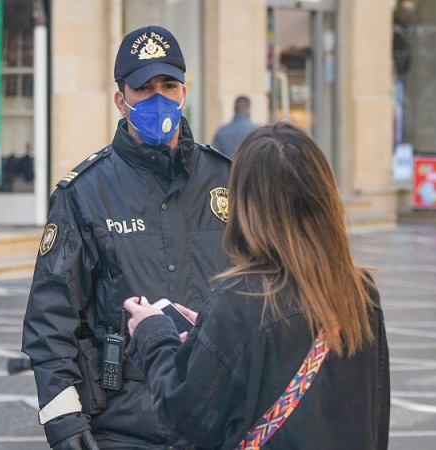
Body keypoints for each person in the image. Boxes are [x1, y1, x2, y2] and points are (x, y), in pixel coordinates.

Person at [22, 25, 232, 449]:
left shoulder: (226, 179)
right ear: (121, 100)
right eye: (144, 88)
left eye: (168, 86)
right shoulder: (84, 193)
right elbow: (51, 321)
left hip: (218, 420)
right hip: (125, 427)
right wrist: (65, 424)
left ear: (184, 92)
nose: (159, 98)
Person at [123, 122, 390, 449]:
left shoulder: (243, 299)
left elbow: (184, 412)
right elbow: (374, 415)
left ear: (246, 203)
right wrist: (208, 332)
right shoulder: (361, 291)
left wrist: (153, 334)